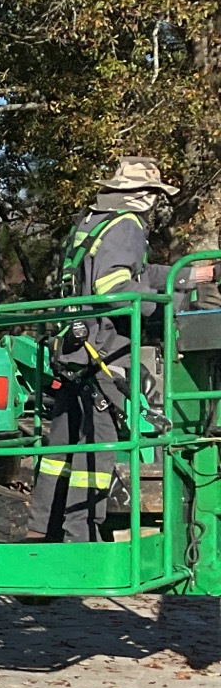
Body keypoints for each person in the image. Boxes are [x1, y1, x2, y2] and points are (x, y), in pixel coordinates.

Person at [30, 157, 215, 541]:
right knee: (98, 447)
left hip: (73, 348)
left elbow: (135, 274)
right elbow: (113, 289)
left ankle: (41, 533)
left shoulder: (93, 222)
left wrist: (190, 275)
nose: (155, 204)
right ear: (144, 196)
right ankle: (81, 538)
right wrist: (177, 305)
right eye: (155, 195)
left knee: (60, 449)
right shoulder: (128, 224)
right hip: (103, 350)